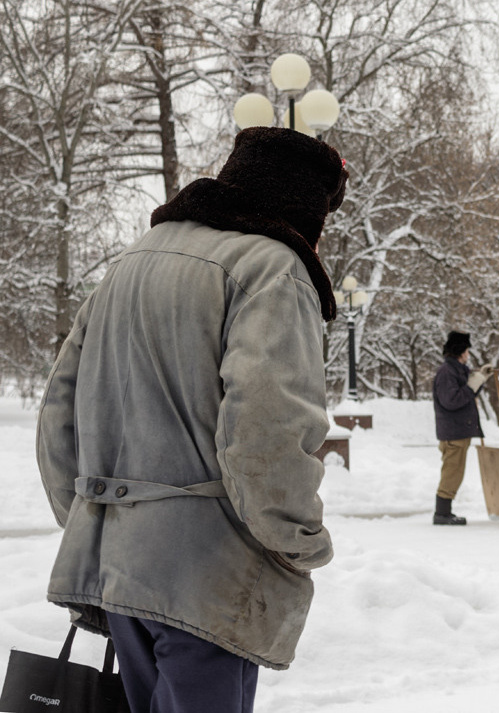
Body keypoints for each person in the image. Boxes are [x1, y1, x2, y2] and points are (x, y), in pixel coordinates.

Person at [35, 126, 349, 713]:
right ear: (306, 204)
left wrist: (90, 516)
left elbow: (59, 411)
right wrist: (298, 540)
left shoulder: (132, 260)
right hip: (208, 574)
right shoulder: (272, 268)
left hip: (117, 564)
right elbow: (267, 429)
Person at [432, 330, 493, 525]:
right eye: (466, 350)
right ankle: (442, 513)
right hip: (453, 432)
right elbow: (451, 400)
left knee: (455, 472)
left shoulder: (456, 369)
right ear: (460, 351)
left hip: (458, 430)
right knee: (452, 472)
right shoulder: (447, 372)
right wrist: (472, 384)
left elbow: (467, 392)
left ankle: (444, 512)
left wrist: (479, 378)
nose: (468, 354)